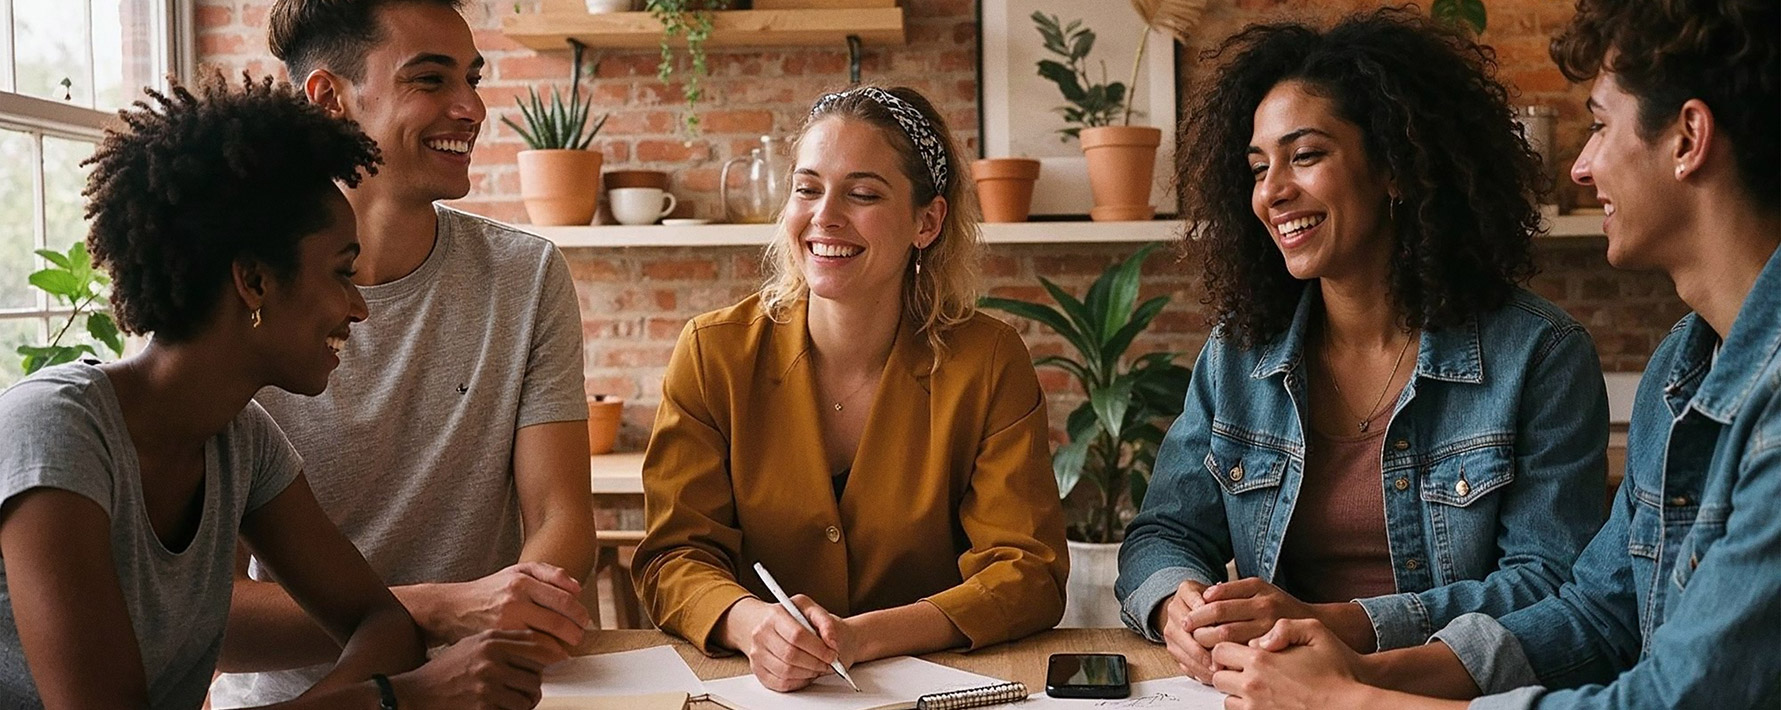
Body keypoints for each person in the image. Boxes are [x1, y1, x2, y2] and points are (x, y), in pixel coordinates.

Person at [1205, 1, 1781, 708]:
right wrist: (1359, 671)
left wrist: (1347, 701)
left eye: (1599, 125)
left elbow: (1675, 701)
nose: (1578, 165)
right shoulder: (1680, 368)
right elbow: (1595, 615)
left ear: (1688, 137)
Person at [0, 73, 565, 710]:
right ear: (255, 282)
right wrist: (397, 700)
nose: (359, 308)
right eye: (340, 273)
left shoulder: (242, 442)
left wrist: (371, 698)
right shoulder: (53, 430)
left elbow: (383, 625)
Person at [1116, 7, 1610, 684]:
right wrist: (1179, 603)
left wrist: (1339, 622)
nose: (1272, 192)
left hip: (1443, 694)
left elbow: (1552, 586)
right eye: (1258, 167)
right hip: (1271, 689)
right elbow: (1164, 533)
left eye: (1306, 155)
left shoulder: (1538, 353)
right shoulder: (1238, 354)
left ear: (1395, 168)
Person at [213, 0, 596, 704]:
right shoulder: (235, 297)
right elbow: (210, 619)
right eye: (430, 80)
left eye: (472, 79)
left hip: (486, 688)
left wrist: (512, 617)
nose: (471, 108)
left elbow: (560, 519)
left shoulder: (526, 275)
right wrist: (439, 609)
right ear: (330, 99)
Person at [632, 85, 1069, 692]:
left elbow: (1028, 574)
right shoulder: (714, 353)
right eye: (807, 189)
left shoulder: (988, 360)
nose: (824, 216)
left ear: (928, 221)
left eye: (862, 194)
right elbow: (673, 557)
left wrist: (861, 636)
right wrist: (750, 622)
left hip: (937, 692)